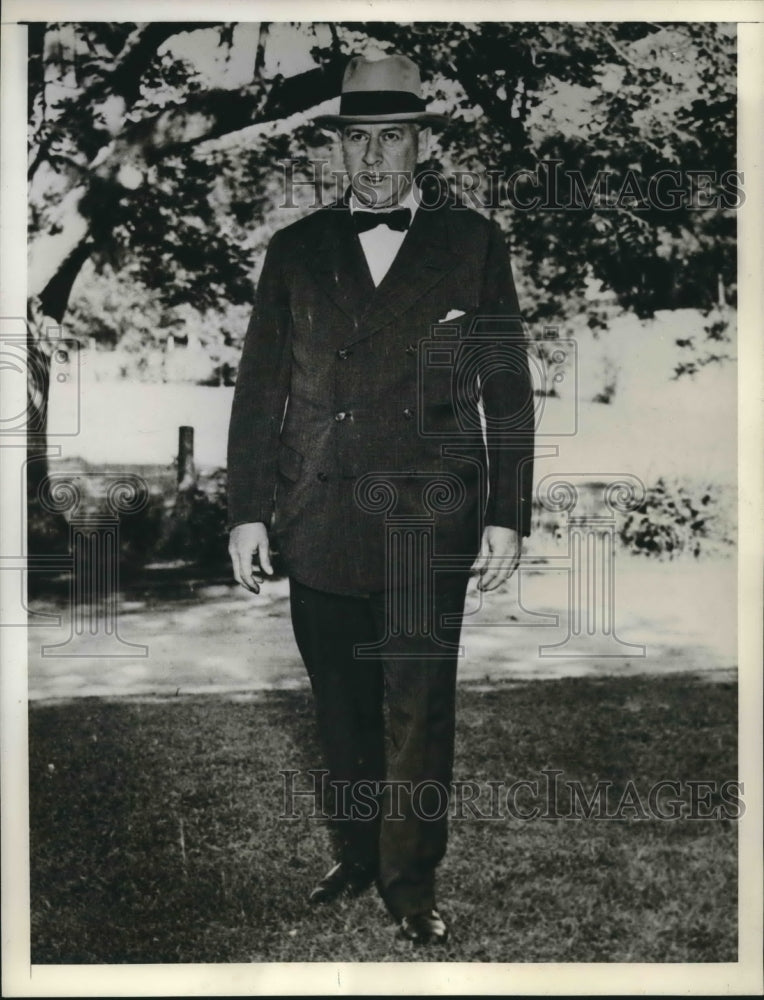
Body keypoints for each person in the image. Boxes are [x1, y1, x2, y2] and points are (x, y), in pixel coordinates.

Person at [227, 53, 535, 945]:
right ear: (340, 150)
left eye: (391, 139)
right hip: (316, 513)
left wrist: (508, 513)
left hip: (426, 516)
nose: (373, 159)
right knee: (341, 701)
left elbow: (506, 390)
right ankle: (358, 852)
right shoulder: (297, 250)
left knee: (417, 704)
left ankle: (408, 882)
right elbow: (258, 391)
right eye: (358, 141)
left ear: (419, 144)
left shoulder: (471, 243)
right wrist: (247, 509)